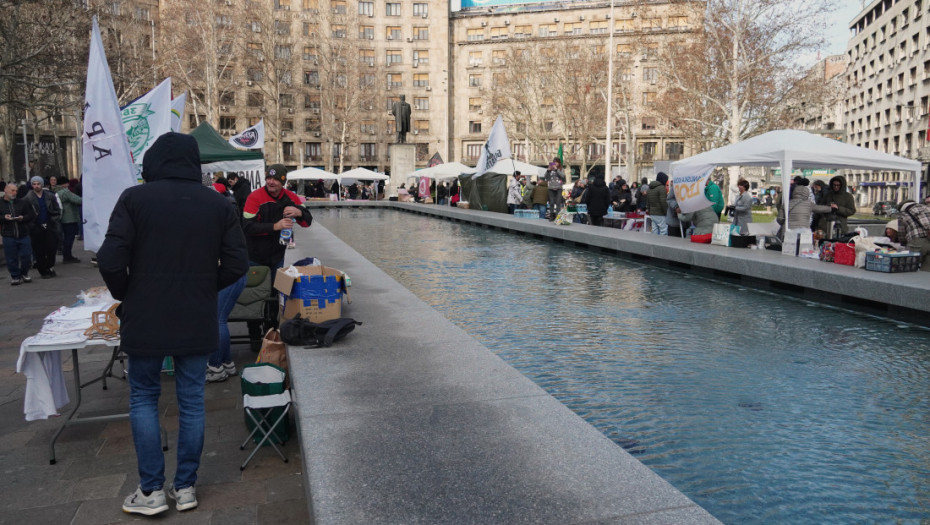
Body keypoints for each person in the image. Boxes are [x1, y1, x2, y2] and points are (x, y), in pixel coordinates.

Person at [97, 132, 249, 515]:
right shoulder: (217, 204)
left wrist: (127, 293)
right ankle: (185, 487)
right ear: (193, 163)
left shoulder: (134, 199)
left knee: (144, 397)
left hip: (145, 314)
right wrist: (202, 288)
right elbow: (236, 264)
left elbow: (111, 259)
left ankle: (150, 491)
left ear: (152, 163)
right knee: (192, 402)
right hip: (195, 314)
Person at [241, 164, 313, 270]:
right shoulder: (254, 197)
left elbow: (307, 222)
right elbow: (247, 227)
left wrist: (299, 213)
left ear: (283, 182)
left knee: (276, 286)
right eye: (268, 178)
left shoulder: (291, 197)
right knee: (260, 287)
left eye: (275, 179)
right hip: (255, 258)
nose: (270, 182)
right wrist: (275, 226)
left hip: (278, 257)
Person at [23, 175, 62, 278]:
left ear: (42, 184)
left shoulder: (50, 196)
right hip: (36, 226)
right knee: (39, 250)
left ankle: (49, 266)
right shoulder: (28, 198)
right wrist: (32, 226)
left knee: (52, 248)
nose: (36, 186)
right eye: (34, 184)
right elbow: (26, 214)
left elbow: (57, 210)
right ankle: (43, 271)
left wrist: (53, 221)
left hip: (49, 225)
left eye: (38, 184)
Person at [2, 182, 36, 285]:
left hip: (23, 233)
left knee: (26, 256)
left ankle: (24, 273)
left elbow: (30, 215)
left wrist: (23, 218)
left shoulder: (22, 202)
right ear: (5, 190)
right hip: (8, 234)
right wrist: (4, 217)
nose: (15, 193)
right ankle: (15, 276)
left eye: (16, 191)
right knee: (11, 257)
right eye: (12, 190)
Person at [895, 200, 930, 270]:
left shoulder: (903, 214)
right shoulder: (926, 208)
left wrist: (903, 244)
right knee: (927, 268)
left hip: (917, 241)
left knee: (907, 265)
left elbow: (902, 233)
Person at [57, 178, 83, 264]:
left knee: (67, 237)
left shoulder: (57, 192)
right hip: (69, 217)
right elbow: (77, 200)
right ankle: (67, 256)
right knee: (69, 238)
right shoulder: (65, 192)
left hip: (63, 218)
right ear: (64, 184)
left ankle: (67, 255)